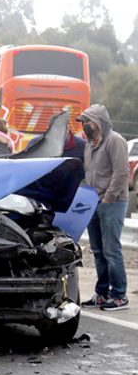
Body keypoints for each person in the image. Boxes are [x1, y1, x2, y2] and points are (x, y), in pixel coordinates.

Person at [77, 104, 130, 311]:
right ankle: (102, 293)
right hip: (93, 201)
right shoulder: (89, 144)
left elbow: (121, 172)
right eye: (83, 122)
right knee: (98, 250)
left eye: (87, 121)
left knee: (111, 250)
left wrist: (108, 197)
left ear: (98, 122)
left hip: (112, 202)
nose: (84, 125)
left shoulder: (115, 141)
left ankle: (119, 296)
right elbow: (88, 172)